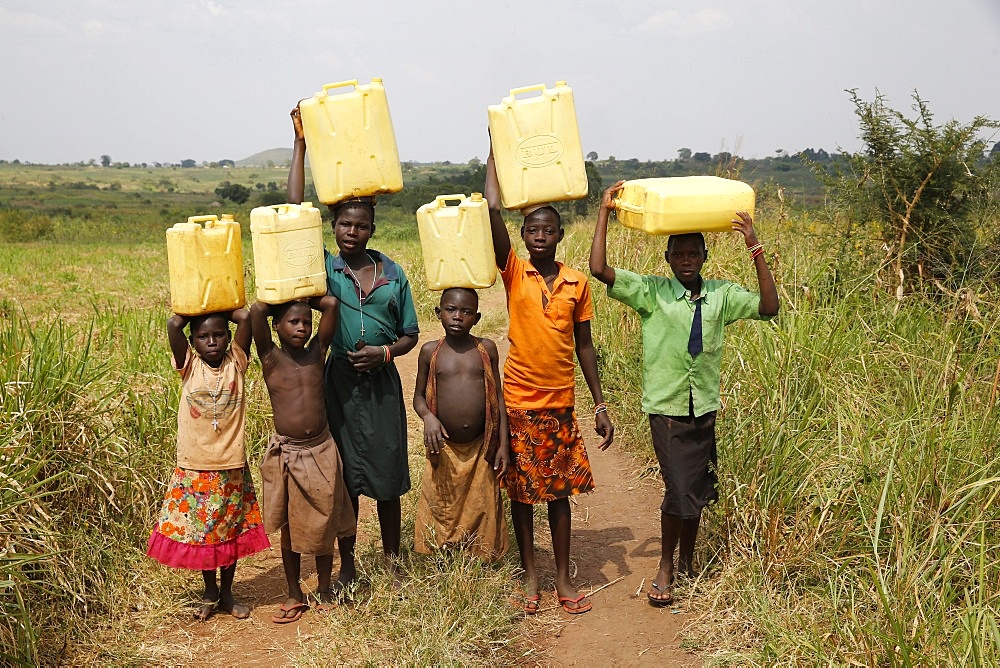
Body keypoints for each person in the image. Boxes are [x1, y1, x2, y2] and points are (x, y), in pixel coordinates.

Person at [589, 181, 780, 606]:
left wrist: (755, 247)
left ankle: (689, 562)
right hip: (667, 408)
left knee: (695, 490)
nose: (687, 261)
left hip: (704, 407)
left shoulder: (722, 295)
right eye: (679, 255)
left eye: (694, 254)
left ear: (705, 257)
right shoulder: (652, 293)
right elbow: (599, 269)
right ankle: (665, 567)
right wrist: (604, 211)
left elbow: (769, 308)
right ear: (668, 258)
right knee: (677, 490)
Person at [288, 106, 419, 588]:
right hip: (337, 383)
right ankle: (347, 564)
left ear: (372, 230)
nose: (351, 232)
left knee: (387, 475)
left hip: (381, 384)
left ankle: (392, 560)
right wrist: (301, 144)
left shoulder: (393, 274)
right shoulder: (323, 269)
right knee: (343, 476)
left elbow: (410, 334)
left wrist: (386, 353)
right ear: (334, 227)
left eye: (360, 225)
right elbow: (294, 211)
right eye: (343, 224)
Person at [484, 141, 614, 615]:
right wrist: (495, 150)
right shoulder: (514, 272)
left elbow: (585, 348)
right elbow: (491, 208)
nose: (540, 235)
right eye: (532, 229)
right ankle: (530, 576)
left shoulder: (577, 283)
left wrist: (599, 405)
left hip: (560, 402)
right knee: (523, 495)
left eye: (549, 229)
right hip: (519, 401)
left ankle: (561, 577)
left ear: (560, 235)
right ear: (523, 234)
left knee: (559, 495)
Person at [147, 309, 270, 621]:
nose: (212, 342)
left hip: (231, 464)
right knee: (204, 535)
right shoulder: (189, 366)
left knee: (230, 530)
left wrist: (223, 305)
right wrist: (199, 304)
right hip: (195, 466)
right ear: (193, 342)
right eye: (203, 337)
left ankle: (227, 593)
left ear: (228, 339)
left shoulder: (236, 363)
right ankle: (209, 590)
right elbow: (174, 323)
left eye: (219, 335)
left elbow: (245, 319)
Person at [251, 298, 357, 623]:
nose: (301, 328)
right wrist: (280, 295)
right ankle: (294, 593)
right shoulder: (270, 357)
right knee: (289, 526)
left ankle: (324, 589)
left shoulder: (316, 353)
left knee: (325, 521)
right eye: (292, 322)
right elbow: (255, 311)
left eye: (305, 322)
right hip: (288, 452)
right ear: (276, 326)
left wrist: (306, 297)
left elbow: (332, 307)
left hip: (321, 449)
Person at [412, 287, 510, 562]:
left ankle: (481, 555)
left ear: (476, 318)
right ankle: (443, 554)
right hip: (444, 447)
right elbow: (418, 397)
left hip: (481, 446)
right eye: (451, 310)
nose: (458, 317)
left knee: (482, 501)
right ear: (438, 313)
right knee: (443, 502)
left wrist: (503, 444)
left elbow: (498, 398)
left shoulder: (485, 349)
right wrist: (429, 418)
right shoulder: (430, 352)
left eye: (466, 312)